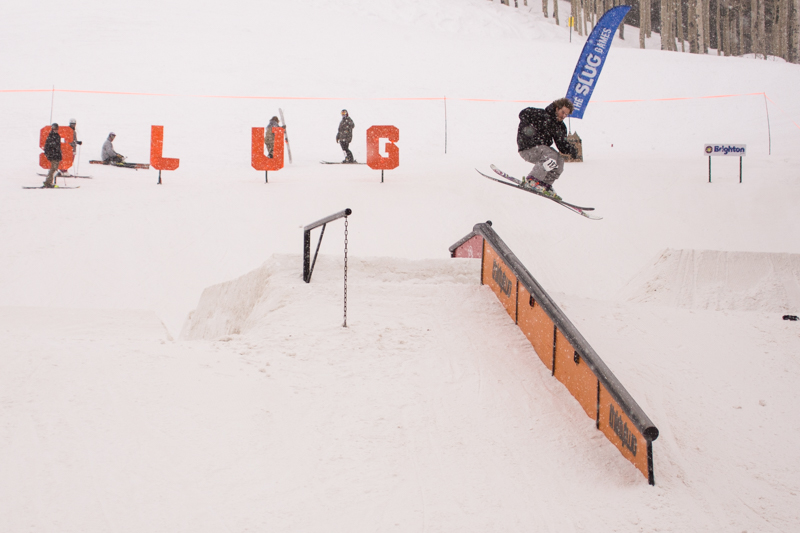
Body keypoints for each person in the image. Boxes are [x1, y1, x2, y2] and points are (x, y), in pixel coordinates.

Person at [517, 97, 578, 200]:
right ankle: (533, 180)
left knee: (559, 160)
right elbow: (523, 113)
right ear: (557, 108)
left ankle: (545, 184)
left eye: (566, 114)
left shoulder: (559, 126)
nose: (563, 116)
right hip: (528, 148)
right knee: (550, 155)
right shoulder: (541, 115)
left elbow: (562, 145)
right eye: (562, 112)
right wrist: (528, 130)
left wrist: (571, 150)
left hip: (541, 150)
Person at [43, 123, 62, 188]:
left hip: (56, 155)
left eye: (56, 128)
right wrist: (49, 155)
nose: (56, 130)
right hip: (53, 155)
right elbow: (47, 147)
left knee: (54, 169)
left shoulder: (57, 136)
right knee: (53, 169)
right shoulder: (51, 136)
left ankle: (49, 182)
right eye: (54, 128)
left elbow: (58, 147)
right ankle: (48, 182)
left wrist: (59, 155)